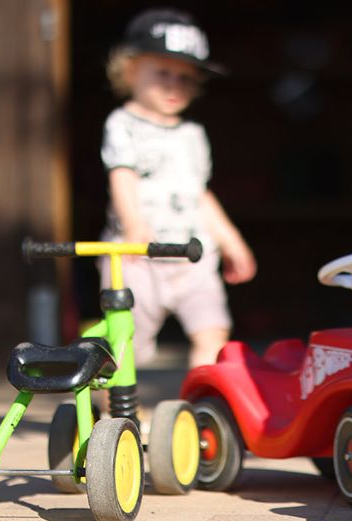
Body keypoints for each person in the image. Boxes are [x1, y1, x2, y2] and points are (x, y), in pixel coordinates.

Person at [100, 8, 256, 370]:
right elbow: (121, 176)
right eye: (163, 73)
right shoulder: (123, 124)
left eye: (186, 78)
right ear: (129, 70)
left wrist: (231, 239)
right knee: (125, 341)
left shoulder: (192, 135)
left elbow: (198, 193)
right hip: (139, 256)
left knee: (212, 332)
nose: (175, 85)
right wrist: (134, 225)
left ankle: (198, 406)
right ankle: (112, 414)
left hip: (192, 255)